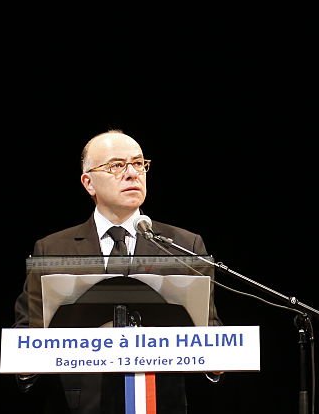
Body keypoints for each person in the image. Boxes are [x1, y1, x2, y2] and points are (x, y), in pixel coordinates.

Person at [12, 129, 221, 414]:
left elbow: (209, 330)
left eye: (139, 164)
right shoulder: (51, 249)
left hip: (161, 404)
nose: (132, 173)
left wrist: (218, 359)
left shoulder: (184, 245)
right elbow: (28, 332)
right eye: (117, 165)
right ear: (89, 183)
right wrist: (24, 364)